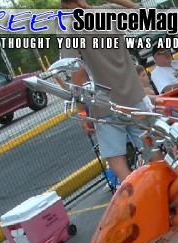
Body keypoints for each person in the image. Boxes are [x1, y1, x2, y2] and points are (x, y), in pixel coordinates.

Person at [59, 0, 148, 184]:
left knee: (115, 157)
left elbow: (77, 73)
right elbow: (139, 10)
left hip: (105, 105)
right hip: (134, 95)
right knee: (150, 145)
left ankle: (135, 191)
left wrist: (82, 112)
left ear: (65, 5)